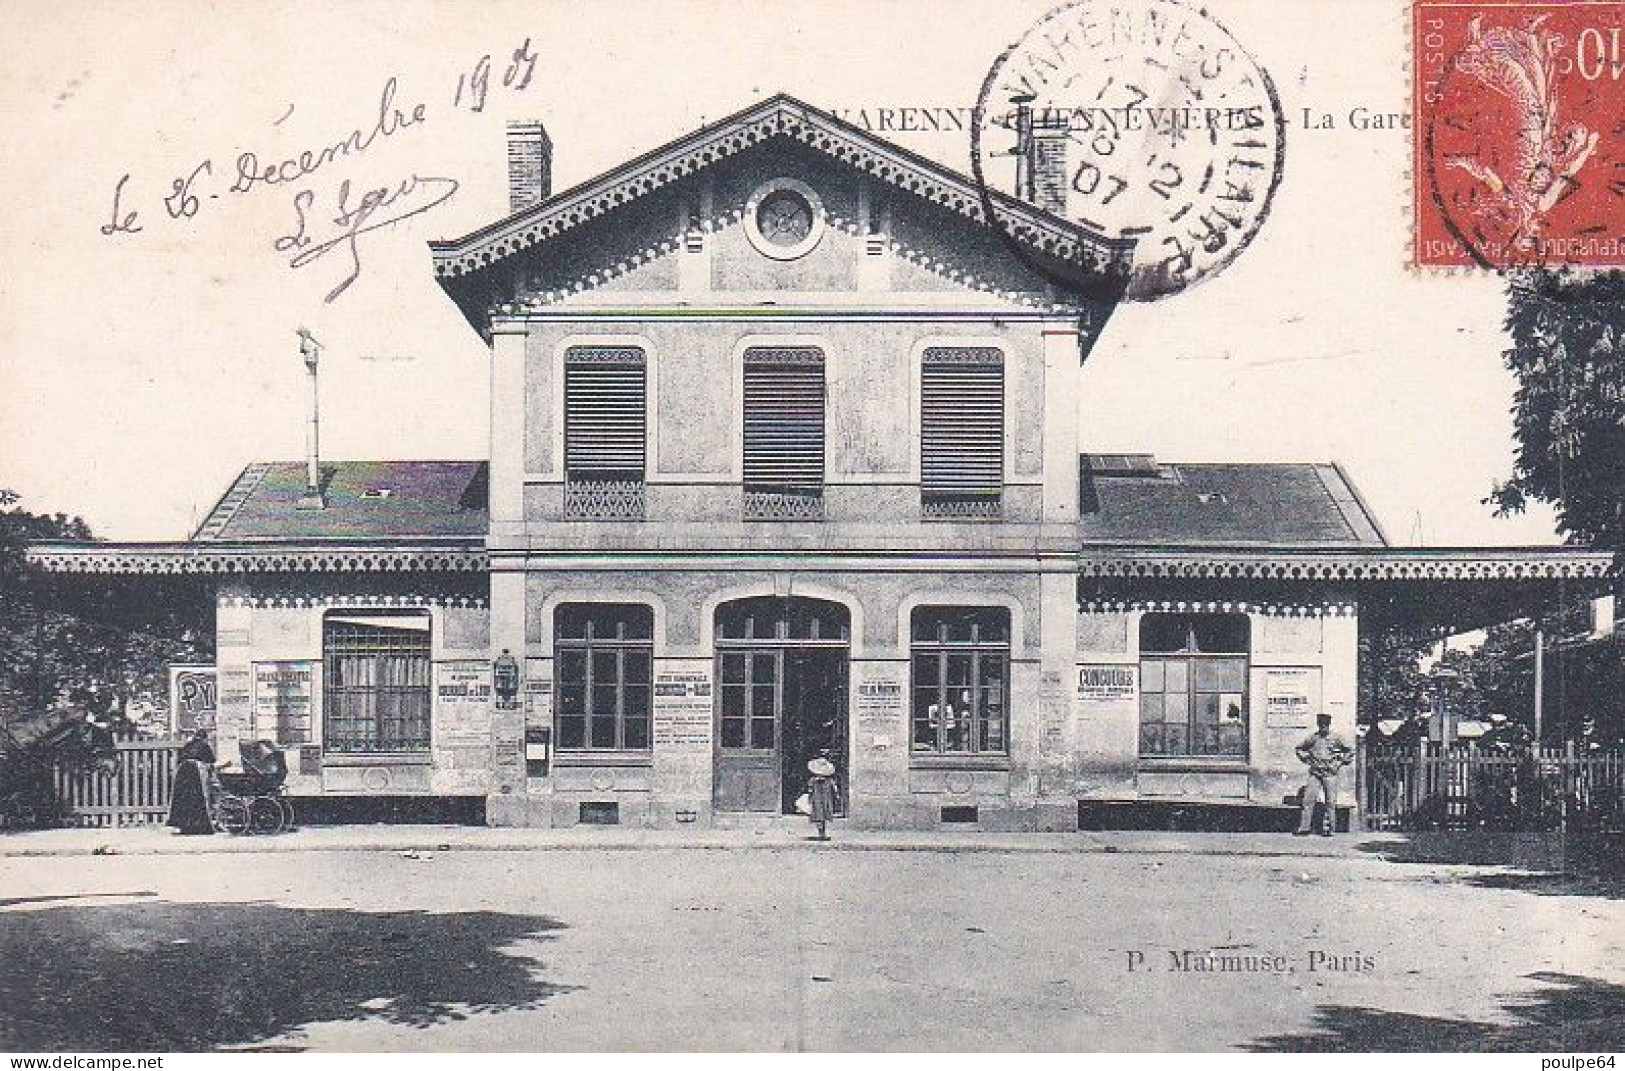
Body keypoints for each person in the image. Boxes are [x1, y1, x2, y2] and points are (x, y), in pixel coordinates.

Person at [1295, 713, 1354, 836]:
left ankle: (1329, 829)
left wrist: (1339, 763)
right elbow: (1299, 748)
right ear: (1318, 725)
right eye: (1321, 725)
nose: (1323, 728)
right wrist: (1306, 759)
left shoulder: (1336, 738)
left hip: (1330, 773)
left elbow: (1349, 751)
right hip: (1315, 773)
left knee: (1330, 802)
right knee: (1308, 800)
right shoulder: (1313, 738)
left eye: (1325, 725)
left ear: (1329, 725)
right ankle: (1304, 827)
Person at [166, 727, 217, 835]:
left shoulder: (188, 745)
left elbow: (179, 758)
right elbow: (211, 760)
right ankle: (199, 826)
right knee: (198, 798)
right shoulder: (204, 745)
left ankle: (184, 825)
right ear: (204, 738)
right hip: (195, 771)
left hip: (182, 771)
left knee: (183, 799)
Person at [806, 754, 838, 841]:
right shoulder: (830, 780)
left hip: (817, 800)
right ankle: (822, 832)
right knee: (824, 815)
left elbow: (810, 790)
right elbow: (834, 790)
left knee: (818, 816)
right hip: (826, 800)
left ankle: (821, 832)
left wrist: (809, 799)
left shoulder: (812, 780)